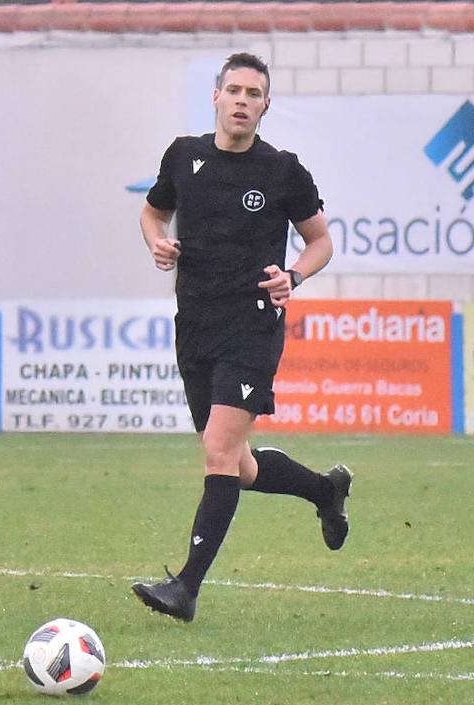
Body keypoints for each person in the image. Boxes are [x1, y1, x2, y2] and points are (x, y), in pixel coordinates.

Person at [131, 52, 353, 622]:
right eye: (234, 90)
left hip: (252, 327)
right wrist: (157, 241)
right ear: (216, 97)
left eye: (253, 94)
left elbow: (320, 241)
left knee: (218, 453)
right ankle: (324, 491)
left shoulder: (283, 171)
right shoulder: (184, 156)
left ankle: (186, 588)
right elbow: (152, 214)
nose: (241, 101)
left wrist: (294, 275)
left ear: (265, 106)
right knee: (239, 464)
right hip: (196, 327)